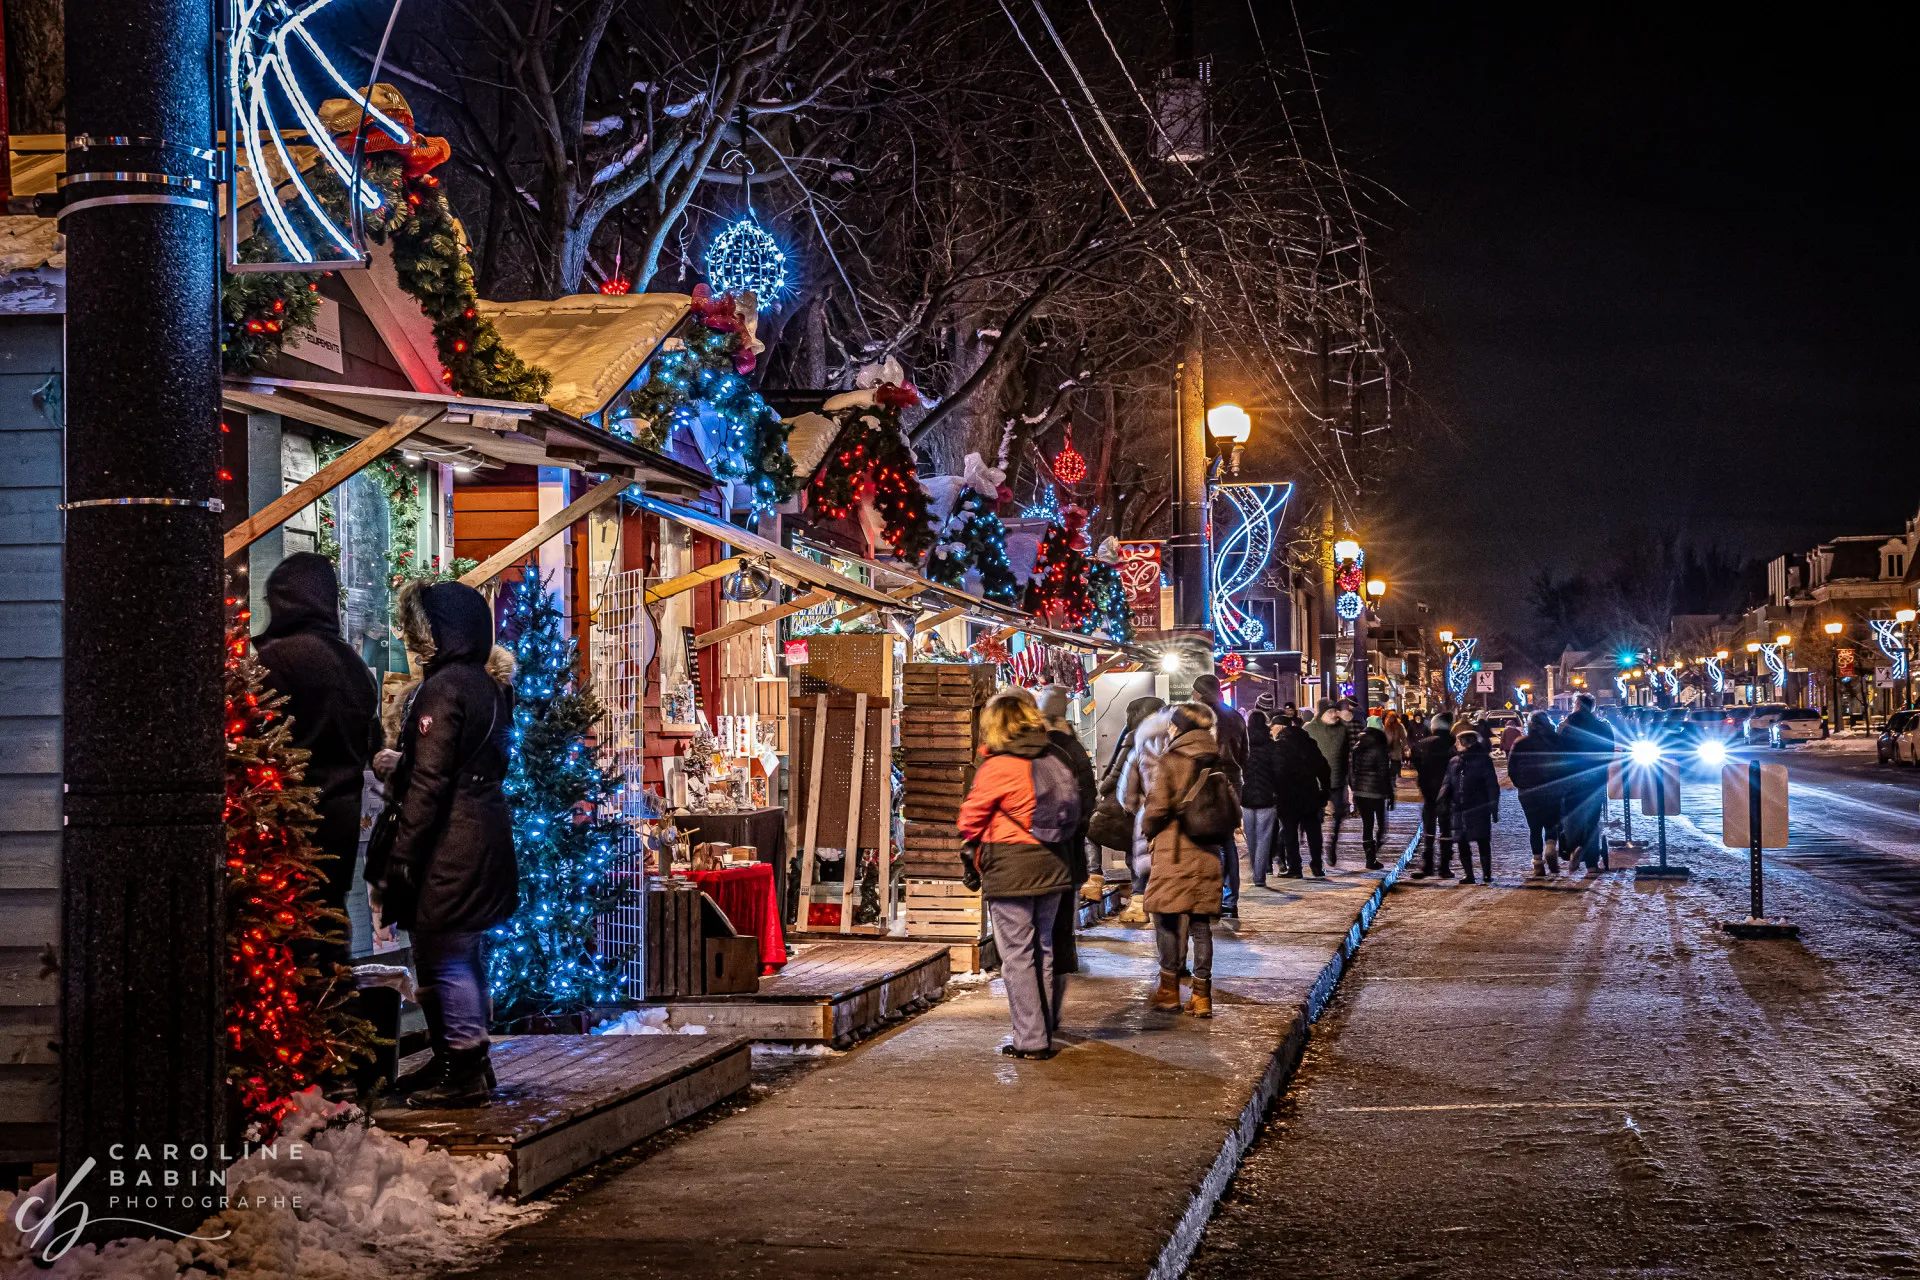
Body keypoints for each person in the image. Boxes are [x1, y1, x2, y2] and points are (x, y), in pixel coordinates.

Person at [369, 581, 518, 1108]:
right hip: (483, 833)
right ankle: (460, 1056)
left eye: (417, 630)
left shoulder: (443, 689)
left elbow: (430, 783)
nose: (412, 641)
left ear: (438, 632)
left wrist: (402, 857)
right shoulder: (488, 686)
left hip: (450, 844)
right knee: (460, 952)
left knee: (445, 953)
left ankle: (462, 1068)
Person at [252, 553, 384, 973]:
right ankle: (334, 1017)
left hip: (282, 821)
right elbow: (371, 741)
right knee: (329, 923)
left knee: (282, 935)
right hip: (341, 820)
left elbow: (256, 735)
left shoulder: (273, 660)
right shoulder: (354, 666)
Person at [956, 694, 1077, 1060]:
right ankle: (1040, 1031)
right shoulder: (1055, 758)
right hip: (1053, 863)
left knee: (1017, 956)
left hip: (1011, 867)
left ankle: (1030, 1039)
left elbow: (969, 819)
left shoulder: (998, 766)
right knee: (1042, 949)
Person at [1142, 702, 1227, 1016]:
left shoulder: (1171, 759)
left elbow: (1156, 807)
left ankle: (1168, 990)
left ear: (1176, 728)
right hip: (1207, 851)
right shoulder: (1216, 758)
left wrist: (1148, 829)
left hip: (1174, 850)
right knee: (1201, 924)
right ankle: (1202, 995)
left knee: (1166, 919)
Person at [1033, 684, 1096, 1026]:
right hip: (1068, 854)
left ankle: (1038, 1017)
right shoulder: (1076, 750)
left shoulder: (1044, 750)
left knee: (1039, 938)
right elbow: (1087, 801)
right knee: (1058, 932)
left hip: (1045, 854)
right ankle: (1049, 1011)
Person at [1097, 696, 1164, 925]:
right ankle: (1144, 900)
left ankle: (1135, 900)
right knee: (1144, 855)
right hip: (1161, 806)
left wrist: (1105, 789)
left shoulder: (1135, 735)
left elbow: (1118, 773)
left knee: (1134, 853)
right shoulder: (1169, 735)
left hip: (1139, 807)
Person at [1190, 674, 1247, 917]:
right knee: (1227, 842)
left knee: (1203, 842)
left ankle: (1208, 896)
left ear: (1199, 692)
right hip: (1232, 782)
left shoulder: (1198, 715)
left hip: (1204, 782)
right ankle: (1229, 899)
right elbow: (1245, 755)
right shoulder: (1234, 716)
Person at [1556, 693, 1616, 871]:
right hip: (1595, 779)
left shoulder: (1565, 727)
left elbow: (1558, 753)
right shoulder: (1602, 727)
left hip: (1571, 778)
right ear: (1592, 707)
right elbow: (1609, 753)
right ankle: (1591, 863)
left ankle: (1575, 846)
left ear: (1576, 705)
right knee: (1592, 820)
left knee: (1571, 816)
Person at [1273, 715, 1332, 877]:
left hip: (1287, 796)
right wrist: (1325, 791)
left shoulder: (1279, 746)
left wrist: (1276, 793)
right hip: (1310, 793)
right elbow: (1324, 767)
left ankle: (1295, 868)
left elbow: (1277, 772)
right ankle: (1317, 865)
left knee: (1289, 833)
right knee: (1314, 832)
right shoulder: (1309, 743)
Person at [1507, 711, 1565, 875]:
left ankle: (1538, 862)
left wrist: (1521, 785)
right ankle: (1551, 847)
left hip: (1528, 792)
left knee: (1534, 827)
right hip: (1552, 789)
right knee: (1552, 822)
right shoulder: (1555, 741)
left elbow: (1512, 769)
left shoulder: (1520, 743)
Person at [1441, 728, 1501, 883]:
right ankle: (1469, 874)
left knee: (1482, 839)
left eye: (1458, 742)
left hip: (1478, 806)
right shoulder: (1455, 761)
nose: (1456, 745)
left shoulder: (1483, 760)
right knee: (1461, 840)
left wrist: (1493, 806)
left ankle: (1486, 873)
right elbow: (1447, 783)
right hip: (1459, 807)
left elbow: (1491, 785)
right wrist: (1442, 801)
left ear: (1466, 743)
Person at [1305, 700, 1353, 866]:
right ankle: (1316, 856)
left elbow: (1348, 753)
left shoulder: (1342, 730)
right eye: (1329, 712)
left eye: (1335, 711)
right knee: (1315, 819)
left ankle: (1332, 844)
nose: (1334, 714)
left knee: (1339, 814)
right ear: (1321, 714)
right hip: (1316, 782)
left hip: (1337, 780)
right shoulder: (1310, 730)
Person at [1409, 713, 1457, 879]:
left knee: (1429, 828)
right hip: (1446, 793)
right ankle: (1444, 866)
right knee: (1446, 829)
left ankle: (1427, 863)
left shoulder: (1421, 745)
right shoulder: (1452, 746)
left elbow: (1417, 765)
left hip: (1429, 793)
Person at [1241, 709, 1282, 886]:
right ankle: (1260, 875)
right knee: (1264, 836)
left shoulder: (1243, 746)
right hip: (1267, 797)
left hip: (1246, 797)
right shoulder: (1271, 746)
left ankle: (1255, 867)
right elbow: (1278, 772)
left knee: (1251, 837)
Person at [1349, 715, 1395, 870]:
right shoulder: (1380, 747)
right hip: (1376, 792)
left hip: (1361, 791)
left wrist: (1354, 787)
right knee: (1382, 826)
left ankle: (1370, 858)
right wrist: (1390, 793)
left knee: (1367, 825)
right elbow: (1384, 773)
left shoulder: (1358, 746)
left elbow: (1353, 770)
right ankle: (1374, 853)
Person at [1383, 708, 1409, 779]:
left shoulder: (1399, 726)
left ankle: (1394, 776)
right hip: (1388, 747)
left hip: (1396, 747)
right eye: (1390, 717)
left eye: (1392, 717)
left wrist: (1405, 745)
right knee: (1390, 763)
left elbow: (1403, 737)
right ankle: (1392, 777)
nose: (1391, 719)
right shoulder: (1385, 727)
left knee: (1396, 762)